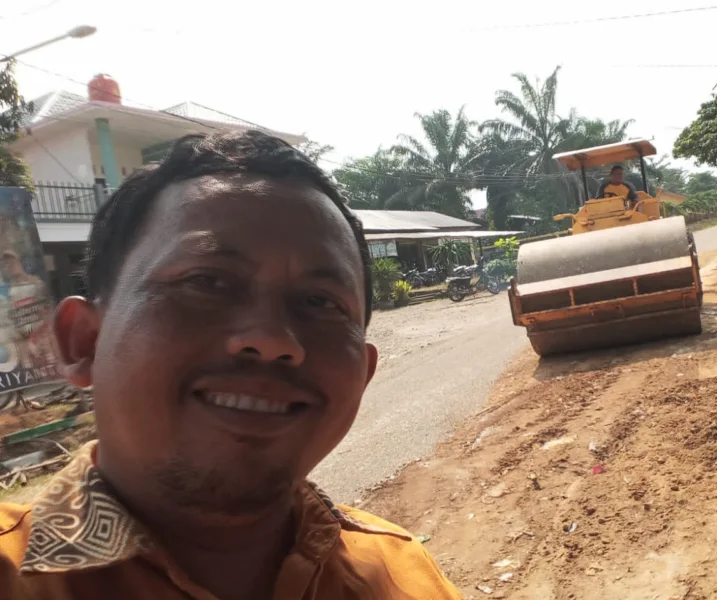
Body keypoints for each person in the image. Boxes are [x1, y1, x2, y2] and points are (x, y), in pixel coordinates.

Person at [0, 131, 462, 599]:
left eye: (319, 302)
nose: (272, 340)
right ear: (84, 341)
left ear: (362, 376)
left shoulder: (404, 577)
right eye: (207, 281)